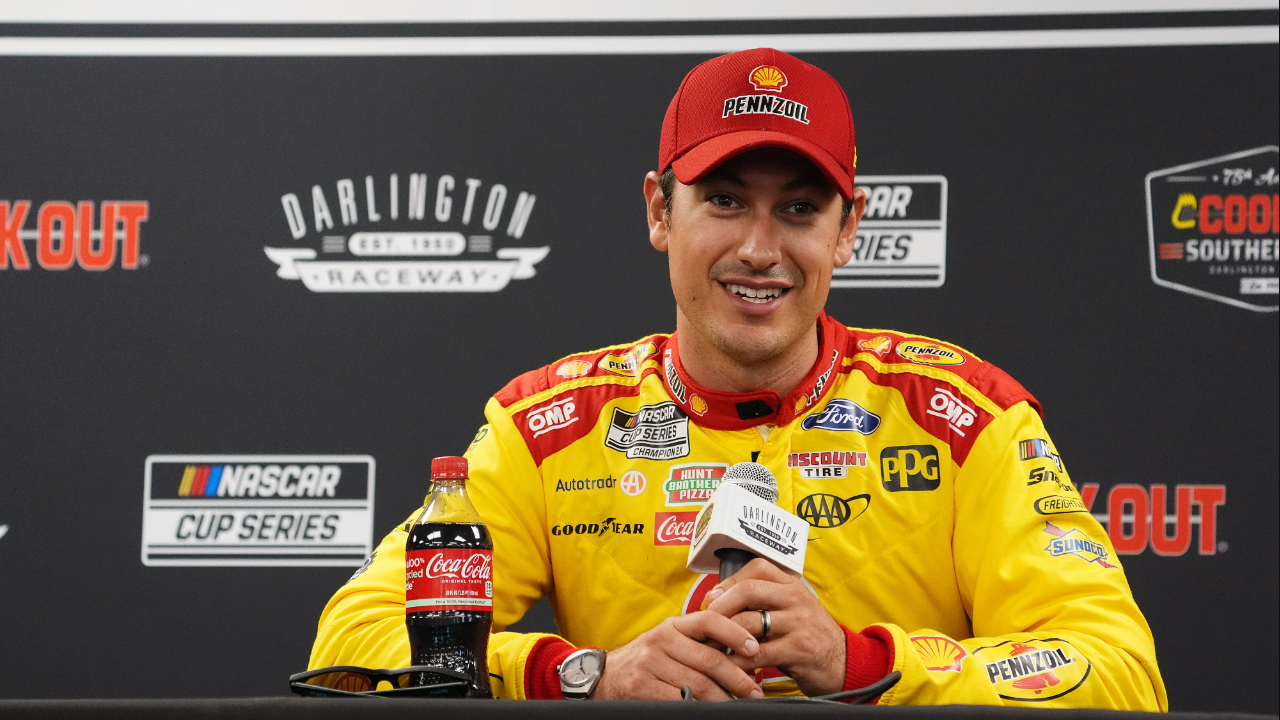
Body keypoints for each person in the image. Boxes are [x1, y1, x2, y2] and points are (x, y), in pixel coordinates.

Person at [308, 47, 1166, 709]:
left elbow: (1120, 672)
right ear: (658, 210)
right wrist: (583, 674)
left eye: (799, 208)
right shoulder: (547, 427)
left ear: (847, 230)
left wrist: (865, 662)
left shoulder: (965, 415)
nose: (760, 249)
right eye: (723, 200)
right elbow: (354, 642)